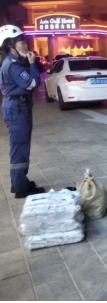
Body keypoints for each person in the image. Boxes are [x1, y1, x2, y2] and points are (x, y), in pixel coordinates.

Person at [0, 25, 45, 198]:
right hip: (17, 108)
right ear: (11, 45)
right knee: (19, 146)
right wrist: (32, 64)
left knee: (22, 145)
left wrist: (29, 62)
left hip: (19, 107)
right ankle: (20, 187)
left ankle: (19, 182)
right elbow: (32, 83)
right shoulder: (12, 64)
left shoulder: (16, 62)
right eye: (21, 42)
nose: (25, 45)